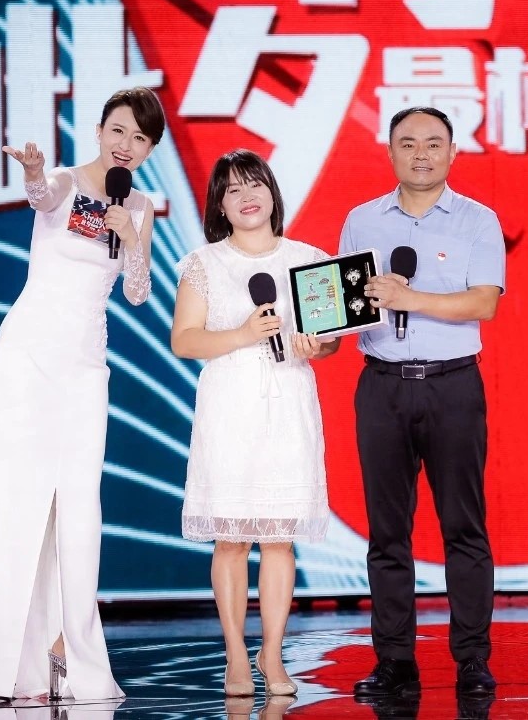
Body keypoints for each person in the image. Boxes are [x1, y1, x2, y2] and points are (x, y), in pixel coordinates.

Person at [0, 87, 165, 707]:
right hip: (28, 356)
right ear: (99, 130)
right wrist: (36, 172)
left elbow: (136, 292)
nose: (126, 146)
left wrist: (132, 238)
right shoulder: (66, 182)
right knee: (11, 500)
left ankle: (66, 658)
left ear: (149, 150)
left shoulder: (140, 205)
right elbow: (43, 198)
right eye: (119, 131)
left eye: (140, 139)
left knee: (77, 510)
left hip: (85, 367)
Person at [340, 106, 505, 700]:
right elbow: (346, 308)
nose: (421, 154)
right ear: (389, 151)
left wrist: (411, 297)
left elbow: (484, 302)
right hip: (381, 384)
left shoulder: (478, 220)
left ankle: (472, 660)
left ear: (453, 152)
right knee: (387, 533)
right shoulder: (360, 220)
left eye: (434, 143)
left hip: (453, 385)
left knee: (464, 527)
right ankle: (394, 661)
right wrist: (318, 331)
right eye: (407, 143)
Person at [172, 150, 337, 698]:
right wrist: (243, 334)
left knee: (279, 541)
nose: (247, 196)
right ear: (219, 205)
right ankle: (236, 655)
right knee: (232, 540)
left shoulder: (309, 260)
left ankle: (272, 653)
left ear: (272, 193)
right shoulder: (204, 263)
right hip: (230, 409)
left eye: (256, 184)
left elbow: (330, 341)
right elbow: (185, 340)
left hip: (288, 406)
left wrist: (318, 345)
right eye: (233, 189)